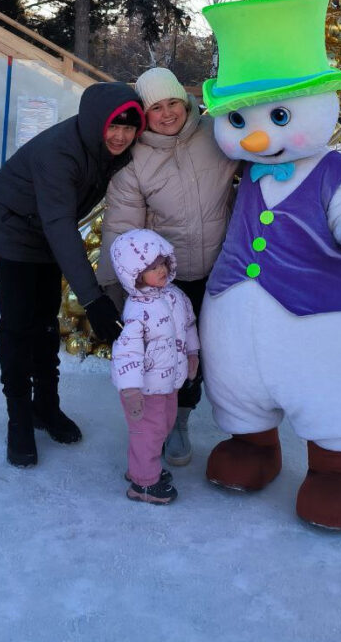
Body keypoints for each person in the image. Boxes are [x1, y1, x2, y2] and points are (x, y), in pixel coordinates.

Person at [0, 81, 146, 468]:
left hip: (51, 224)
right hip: (15, 226)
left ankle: (46, 406)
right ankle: (19, 417)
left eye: (129, 127)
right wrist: (93, 300)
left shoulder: (112, 149)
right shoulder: (59, 153)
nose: (121, 136)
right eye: (114, 125)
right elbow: (59, 225)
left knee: (47, 319)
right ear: (96, 122)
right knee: (19, 323)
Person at [96, 68, 238, 466]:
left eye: (173, 102)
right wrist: (114, 283)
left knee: (204, 352)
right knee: (167, 354)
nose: (167, 113)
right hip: (166, 281)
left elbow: (254, 158)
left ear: (186, 102)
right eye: (156, 107)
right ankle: (166, 422)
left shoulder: (215, 134)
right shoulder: (135, 158)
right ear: (145, 113)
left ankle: (185, 419)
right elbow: (122, 226)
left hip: (221, 269)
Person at [110, 228, 199, 504]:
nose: (161, 270)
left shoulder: (175, 296)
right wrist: (130, 389)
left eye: (162, 263)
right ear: (134, 274)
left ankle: (141, 468)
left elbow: (188, 324)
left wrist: (192, 353)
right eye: (151, 267)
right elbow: (127, 352)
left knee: (162, 427)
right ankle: (144, 484)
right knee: (148, 432)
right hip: (145, 389)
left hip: (169, 382)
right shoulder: (136, 311)